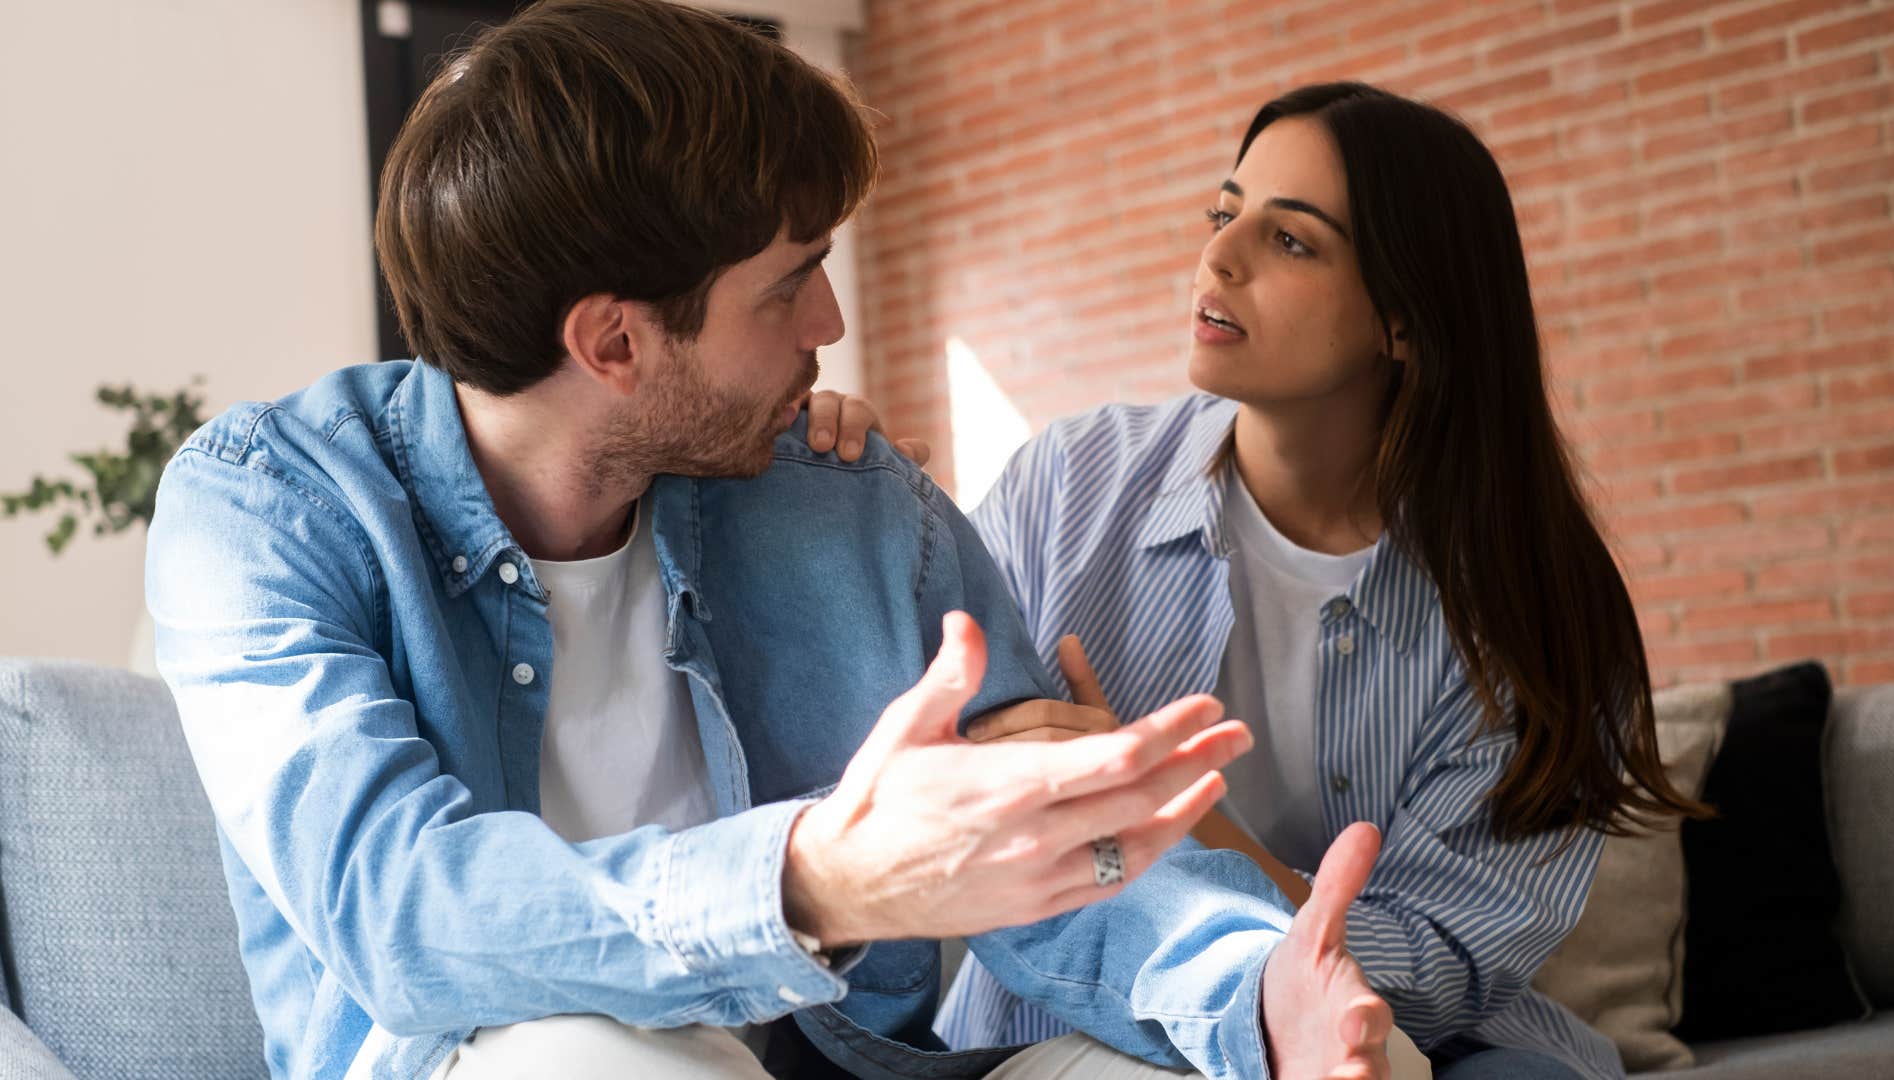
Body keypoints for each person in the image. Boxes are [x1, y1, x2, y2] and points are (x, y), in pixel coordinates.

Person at [144, 7, 1400, 1080]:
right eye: (789, 283)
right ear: (616, 345)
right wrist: (822, 878)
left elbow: (1050, 851)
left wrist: (1254, 989)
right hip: (505, 1061)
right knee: (593, 1057)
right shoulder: (269, 509)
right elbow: (400, 912)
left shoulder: (842, 494)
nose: (833, 319)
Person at [912, 82, 1709, 1080]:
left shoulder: (1536, 609)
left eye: (1291, 241)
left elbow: (1433, 973)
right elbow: (912, 771)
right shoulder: (1069, 485)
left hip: (1409, 1042)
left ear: (1406, 322)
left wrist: (1174, 815)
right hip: (1076, 1021)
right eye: (1224, 211)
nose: (1219, 255)